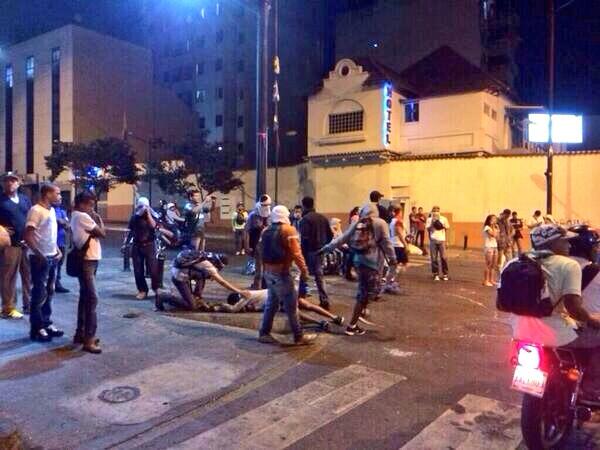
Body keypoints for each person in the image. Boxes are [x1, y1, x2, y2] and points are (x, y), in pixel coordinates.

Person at [512, 224, 600, 403]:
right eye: (564, 241)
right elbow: (573, 307)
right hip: (558, 332)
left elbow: (501, 303)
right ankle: (591, 390)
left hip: (520, 330)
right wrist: (591, 319)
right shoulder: (568, 266)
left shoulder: (515, 262)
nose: (568, 245)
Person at [323, 203, 397, 335]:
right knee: (369, 293)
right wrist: (393, 259)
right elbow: (386, 242)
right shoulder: (380, 223)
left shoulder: (358, 222)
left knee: (366, 291)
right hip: (372, 263)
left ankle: (360, 311)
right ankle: (352, 325)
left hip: (358, 261)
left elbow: (343, 237)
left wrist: (328, 247)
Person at [258, 205, 317, 346]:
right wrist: (304, 270)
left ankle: (264, 333)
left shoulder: (265, 230)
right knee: (291, 305)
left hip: (268, 272)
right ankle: (298, 336)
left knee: (271, 304)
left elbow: (260, 250)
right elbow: (297, 254)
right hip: (282, 273)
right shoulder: (288, 230)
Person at [23, 183, 63, 342]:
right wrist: (39, 254)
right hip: (40, 259)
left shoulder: (51, 210)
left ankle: (46, 323)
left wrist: (57, 250)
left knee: (49, 291)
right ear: (47, 194)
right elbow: (28, 235)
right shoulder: (36, 210)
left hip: (52, 256)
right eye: (57, 193)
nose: (60, 196)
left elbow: (49, 235)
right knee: (39, 293)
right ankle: (36, 328)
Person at [70, 191, 105, 354]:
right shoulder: (81, 216)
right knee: (92, 298)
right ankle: (89, 339)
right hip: (87, 261)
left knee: (85, 297)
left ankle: (81, 333)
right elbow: (102, 233)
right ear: (83, 204)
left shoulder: (77, 216)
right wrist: (97, 218)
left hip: (90, 259)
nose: (92, 208)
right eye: (91, 204)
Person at [164, 249, 250, 311]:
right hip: (179, 276)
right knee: (191, 306)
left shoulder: (209, 256)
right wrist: (240, 291)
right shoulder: (209, 265)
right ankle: (165, 297)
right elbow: (222, 282)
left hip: (183, 270)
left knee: (203, 274)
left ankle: (197, 296)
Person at [0, 172, 31, 319]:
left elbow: (30, 218)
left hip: (26, 243)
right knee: (9, 277)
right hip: (9, 245)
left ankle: (28, 304)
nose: (10, 183)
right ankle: (8, 307)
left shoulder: (25, 200)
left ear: (19, 183)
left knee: (27, 275)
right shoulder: (1, 200)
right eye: (7, 181)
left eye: (13, 181)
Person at [298, 196, 333, 310]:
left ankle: (301, 297)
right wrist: (324, 245)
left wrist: (302, 253)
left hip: (309, 251)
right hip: (321, 249)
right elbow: (330, 235)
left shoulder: (305, 220)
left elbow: (304, 238)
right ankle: (324, 300)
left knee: (303, 273)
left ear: (303, 205)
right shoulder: (322, 218)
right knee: (319, 275)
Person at [126, 197, 161, 301]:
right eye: (141, 206)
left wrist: (148, 213)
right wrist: (126, 243)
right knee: (138, 270)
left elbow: (153, 226)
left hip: (150, 245)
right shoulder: (135, 217)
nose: (143, 208)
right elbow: (130, 231)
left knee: (153, 269)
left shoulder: (152, 216)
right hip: (137, 245)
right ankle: (142, 290)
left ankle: (156, 288)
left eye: (145, 206)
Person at [568, 225, 600, 313]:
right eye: (596, 246)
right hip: (591, 323)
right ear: (587, 248)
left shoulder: (553, 267)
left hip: (560, 322)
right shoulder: (596, 271)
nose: (597, 250)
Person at [244, 195, 272, 289]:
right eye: (264, 205)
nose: (266, 207)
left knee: (267, 269)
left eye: (267, 205)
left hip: (268, 245)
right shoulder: (253, 215)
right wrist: (246, 246)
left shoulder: (271, 215)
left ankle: (265, 286)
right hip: (257, 245)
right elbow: (247, 231)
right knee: (259, 270)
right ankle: (257, 288)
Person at [426, 206, 450, 281]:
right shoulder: (429, 219)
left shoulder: (444, 219)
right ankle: (435, 274)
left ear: (439, 211)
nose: (436, 212)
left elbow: (447, 229)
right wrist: (433, 223)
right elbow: (428, 229)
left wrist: (447, 241)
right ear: (432, 212)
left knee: (443, 257)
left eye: (437, 211)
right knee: (434, 258)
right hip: (433, 240)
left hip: (442, 240)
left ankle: (445, 274)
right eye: (434, 211)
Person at [389, 206, 409, 289]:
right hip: (399, 245)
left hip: (394, 244)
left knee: (395, 265)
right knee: (404, 264)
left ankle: (391, 281)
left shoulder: (392, 221)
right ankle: (393, 281)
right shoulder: (397, 221)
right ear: (399, 212)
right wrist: (405, 245)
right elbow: (400, 234)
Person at [53, 200, 70, 293]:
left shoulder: (62, 211)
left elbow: (67, 225)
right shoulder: (50, 210)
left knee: (59, 264)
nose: (59, 199)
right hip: (53, 242)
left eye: (60, 198)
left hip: (62, 242)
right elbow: (60, 222)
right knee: (52, 264)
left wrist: (62, 221)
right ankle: (50, 283)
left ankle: (57, 283)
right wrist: (61, 221)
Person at [482, 214, 499, 287]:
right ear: (489, 220)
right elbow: (493, 235)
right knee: (488, 264)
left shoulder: (495, 227)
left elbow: (497, 236)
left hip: (495, 246)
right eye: (493, 219)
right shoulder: (487, 227)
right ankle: (486, 280)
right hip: (489, 247)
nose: (495, 220)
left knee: (493, 264)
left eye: (495, 219)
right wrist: (495, 229)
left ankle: (491, 280)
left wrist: (496, 229)